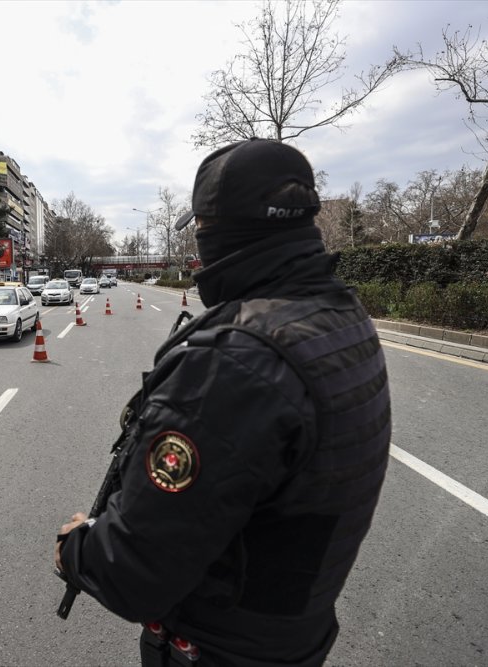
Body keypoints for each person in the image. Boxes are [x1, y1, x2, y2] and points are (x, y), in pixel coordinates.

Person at [54, 138, 391, 667]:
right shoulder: (340, 316)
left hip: (216, 649)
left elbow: (134, 571)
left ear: (221, 231)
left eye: (202, 229)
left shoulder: (234, 362)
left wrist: (76, 550)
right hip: (292, 639)